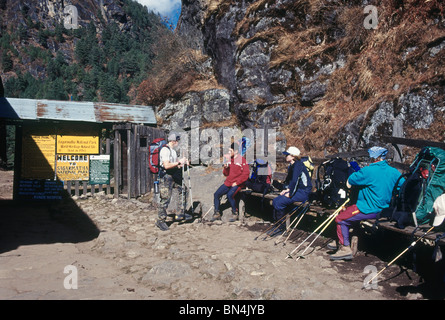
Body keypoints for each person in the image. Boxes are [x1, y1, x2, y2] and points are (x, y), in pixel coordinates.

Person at [329, 146, 404, 260]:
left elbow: (352, 179)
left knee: (340, 219)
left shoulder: (369, 170)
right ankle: (342, 239)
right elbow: (402, 185)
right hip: (384, 209)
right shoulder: (393, 172)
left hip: (368, 208)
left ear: (374, 158)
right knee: (347, 212)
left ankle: (345, 248)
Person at [271, 146, 312, 234]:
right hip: (297, 190)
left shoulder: (298, 165)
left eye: (287, 155)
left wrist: (290, 193)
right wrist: (286, 190)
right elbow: (290, 181)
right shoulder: (292, 165)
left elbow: (295, 181)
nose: (286, 156)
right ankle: (276, 225)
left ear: (293, 156)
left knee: (280, 202)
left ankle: (281, 228)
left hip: (303, 192)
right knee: (275, 201)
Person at [155, 132, 190, 231]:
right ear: (173, 141)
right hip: (166, 176)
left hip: (174, 175)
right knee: (165, 198)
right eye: (177, 140)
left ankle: (180, 213)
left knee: (183, 190)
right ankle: (160, 220)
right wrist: (179, 162)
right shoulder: (165, 150)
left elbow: (175, 165)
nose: (178, 142)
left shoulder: (173, 151)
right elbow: (166, 165)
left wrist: (183, 164)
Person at [211, 142, 249, 222]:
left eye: (230, 151)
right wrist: (226, 168)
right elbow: (226, 174)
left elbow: (246, 174)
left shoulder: (242, 160)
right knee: (216, 194)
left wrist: (238, 182)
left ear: (235, 151)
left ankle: (235, 213)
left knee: (230, 195)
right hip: (229, 182)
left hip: (238, 183)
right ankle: (217, 212)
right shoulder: (230, 160)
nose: (228, 152)